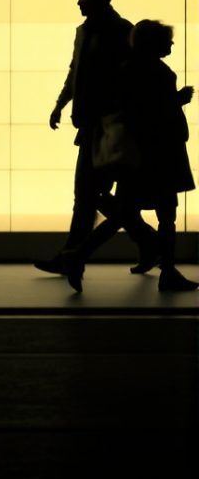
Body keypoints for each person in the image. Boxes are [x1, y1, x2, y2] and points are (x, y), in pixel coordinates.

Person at [59, 20, 192, 293]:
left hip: (137, 155)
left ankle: (78, 256)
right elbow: (154, 112)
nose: (171, 44)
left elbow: (131, 111)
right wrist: (177, 100)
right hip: (160, 152)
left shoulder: (125, 71)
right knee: (166, 215)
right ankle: (168, 271)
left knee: (123, 213)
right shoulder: (160, 73)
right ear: (154, 43)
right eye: (167, 40)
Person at [35, 0, 153, 276]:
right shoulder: (91, 31)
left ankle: (72, 255)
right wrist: (61, 103)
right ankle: (145, 241)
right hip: (96, 126)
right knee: (91, 196)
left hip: (111, 128)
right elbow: (76, 71)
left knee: (88, 196)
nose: (78, 1)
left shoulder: (118, 30)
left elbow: (126, 76)